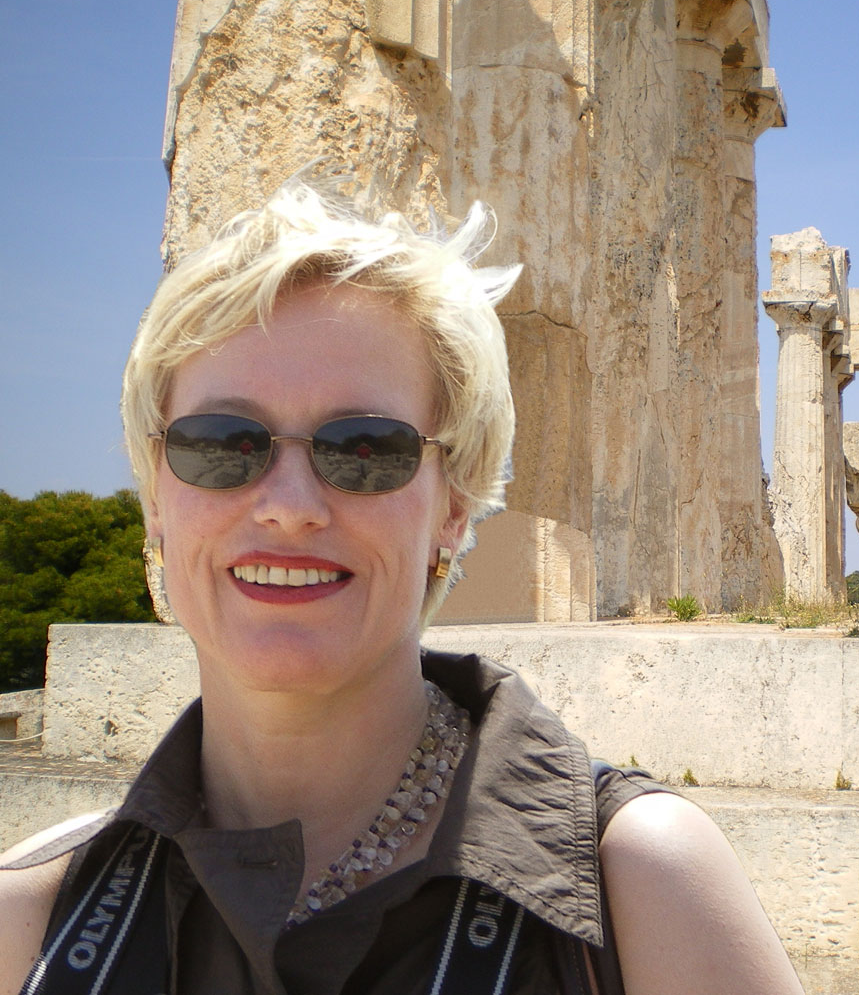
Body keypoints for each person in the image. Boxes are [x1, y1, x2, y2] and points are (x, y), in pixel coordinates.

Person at [0, 176, 806, 995]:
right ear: (156, 497)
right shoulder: (28, 920)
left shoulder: (647, 888)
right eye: (221, 443)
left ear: (452, 508)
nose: (288, 506)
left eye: (364, 448)